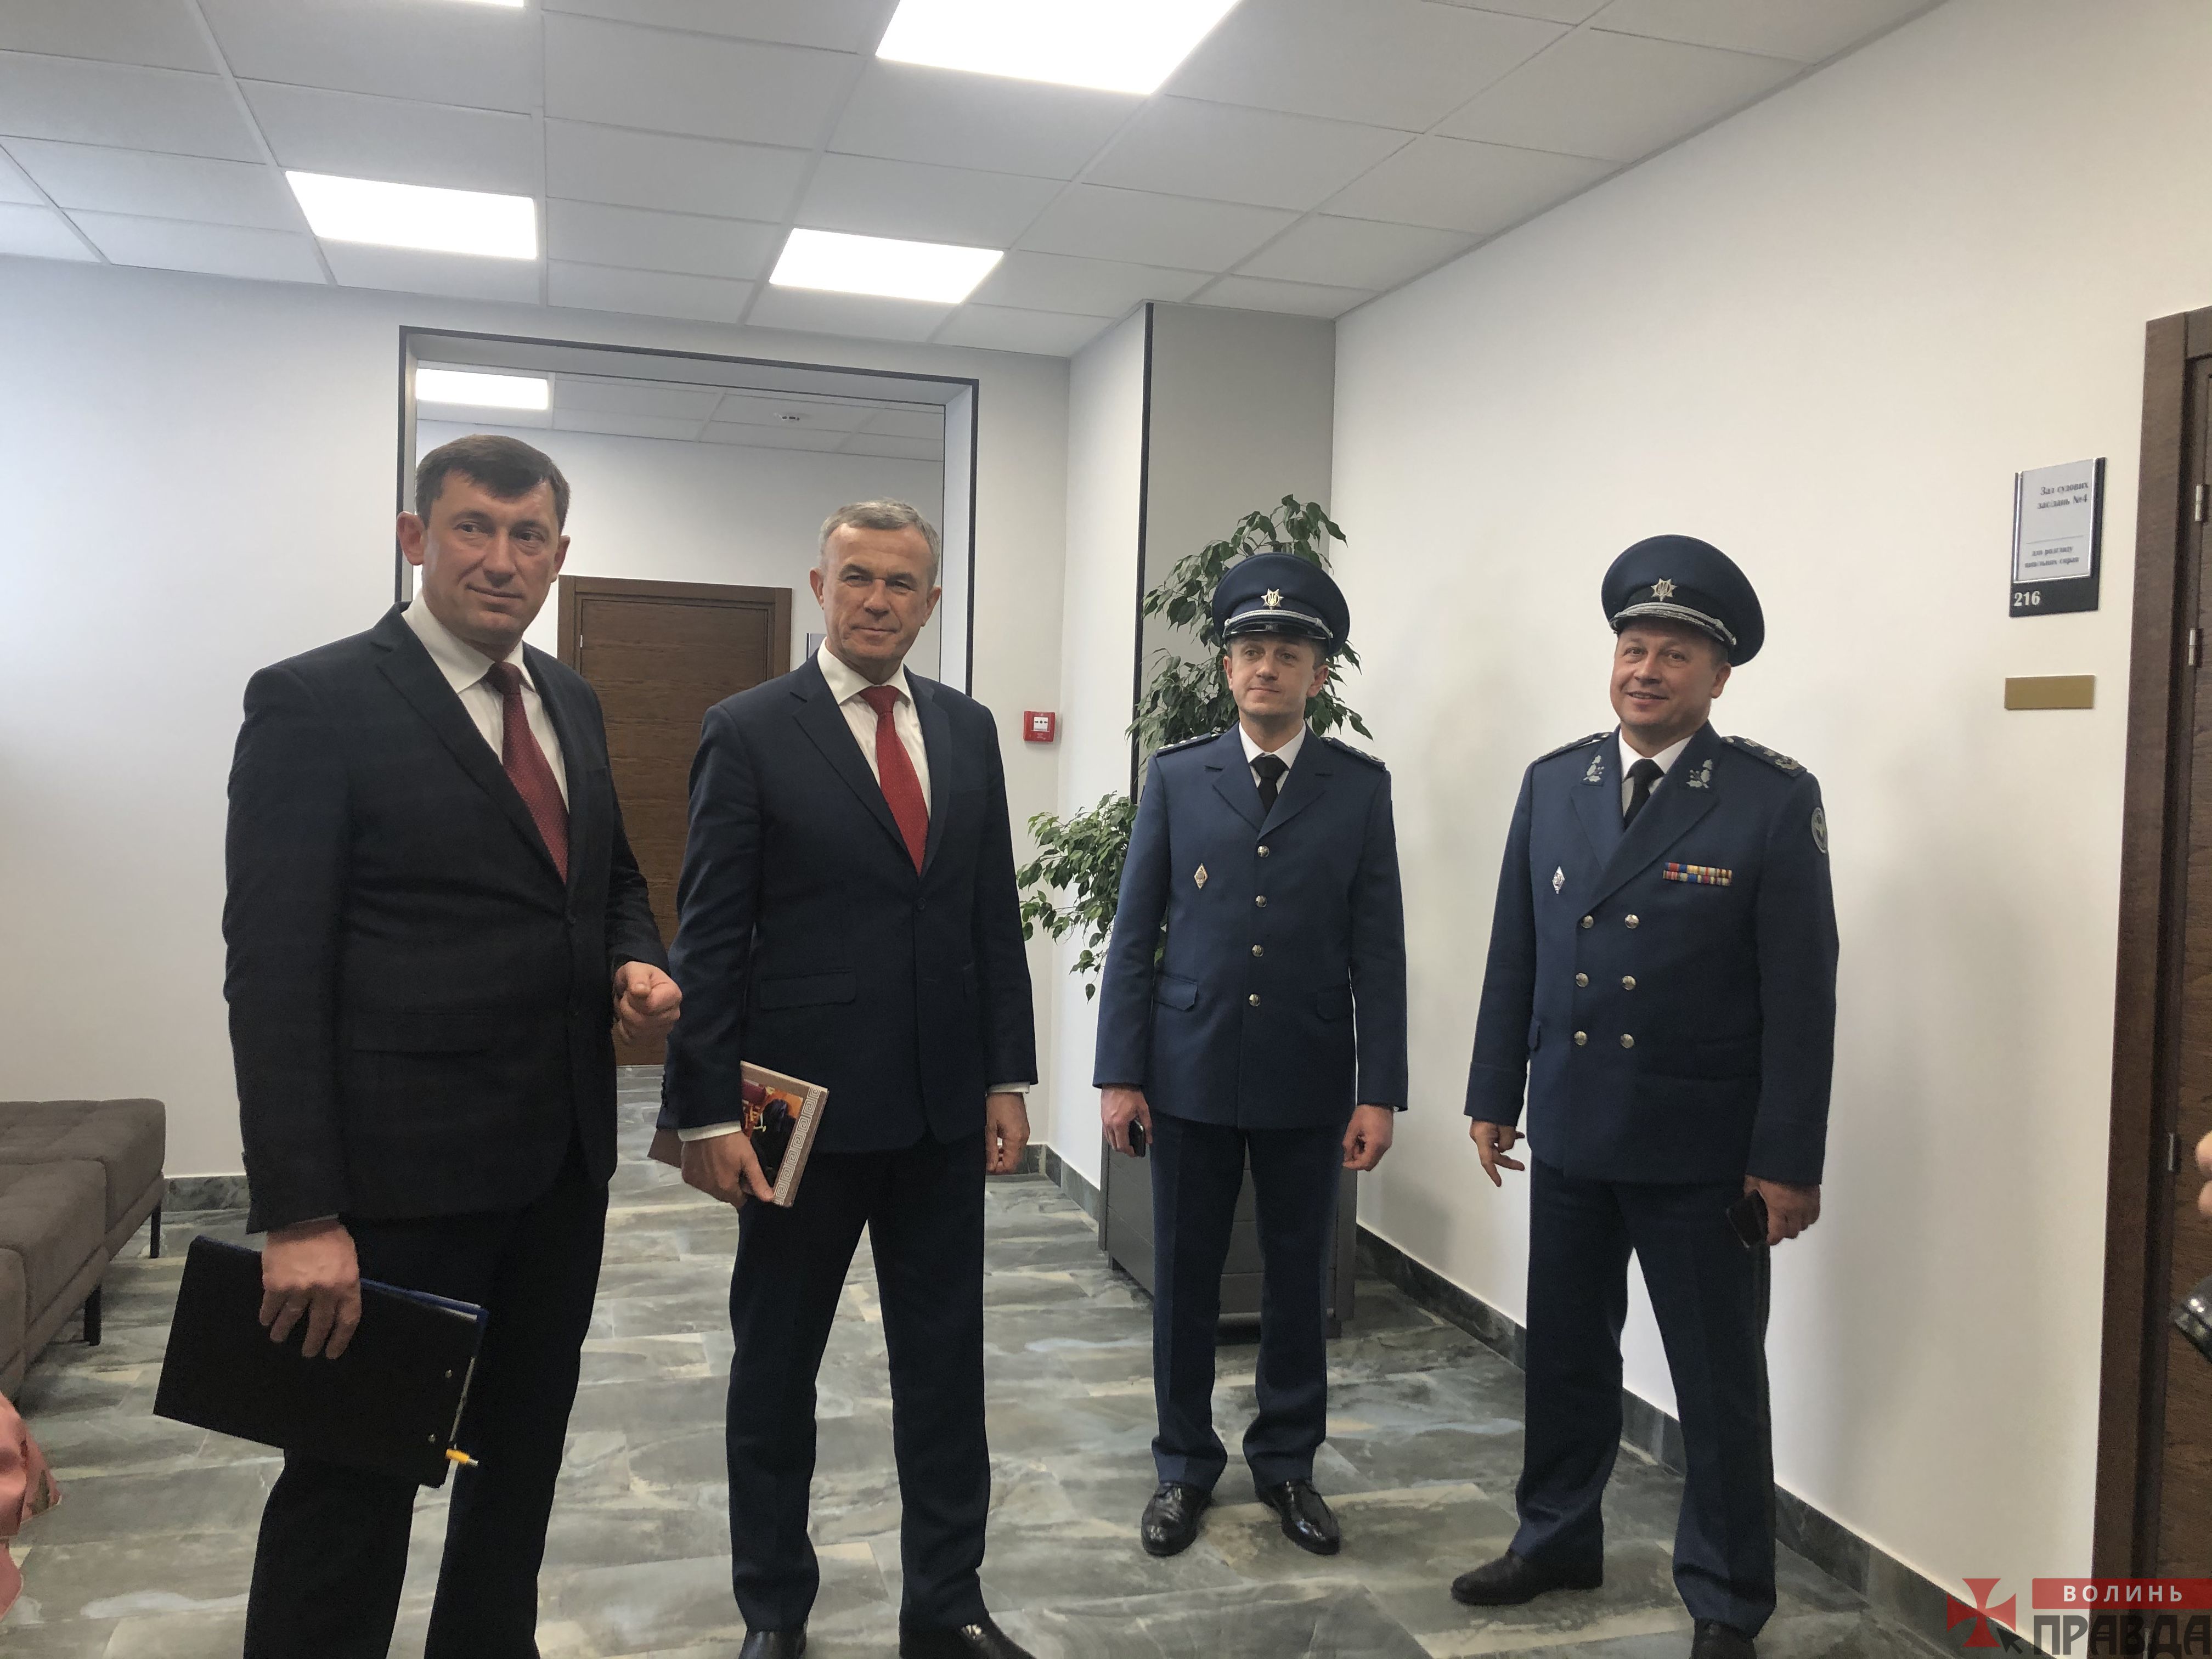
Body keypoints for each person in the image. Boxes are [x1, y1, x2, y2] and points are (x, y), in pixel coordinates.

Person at [227, 433, 680, 1658]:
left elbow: (609, 884)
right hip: (394, 1197)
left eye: (528, 536)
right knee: (350, 1493)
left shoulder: (570, 700)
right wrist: (300, 1214)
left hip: (559, 1175)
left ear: (560, 555)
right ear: (415, 537)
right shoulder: (315, 701)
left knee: (516, 1474)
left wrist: (634, 962)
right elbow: (272, 977)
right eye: (474, 527)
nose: (501, 558)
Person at [662, 501, 1039, 1659]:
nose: (880, 599)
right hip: (795, 1112)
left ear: (931, 603)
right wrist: (704, 1111)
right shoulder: (748, 729)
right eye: (859, 577)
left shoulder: (967, 729)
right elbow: (709, 936)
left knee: (946, 1373)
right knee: (777, 1373)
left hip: (939, 1110)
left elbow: (989, 916)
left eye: (902, 583)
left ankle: (948, 1605)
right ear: (821, 587)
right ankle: (775, 1613)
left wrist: (1007, 1077)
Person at [1451, 534, 1837, 1659]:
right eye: (1633, 647)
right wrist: (1493, 1091)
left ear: (1720, 677)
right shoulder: (1554, 783)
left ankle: (1727, 1597)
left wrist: (1786, 1161)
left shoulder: (1769, 800)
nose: (1646, 670)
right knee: (1567, 1358)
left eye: (1675, 653)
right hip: (1574, 1127)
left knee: (1717, 1384)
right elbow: (1516, 951)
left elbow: (1803, 995)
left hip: (1702, 1150)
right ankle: (1555, 1536)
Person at [1093, 551, 1408, 1561]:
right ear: (1226, 670)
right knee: (1184, 1278)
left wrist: (1380, 1091)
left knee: (1298, 1280)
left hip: (1307, 1077)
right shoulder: (1179, 776)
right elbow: (1134, 932)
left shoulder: (1358, 788)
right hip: (1186, 1070)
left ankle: (1287, 1463)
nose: (1266, 667)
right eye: (1250, 651)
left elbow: (1379, 949)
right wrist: (1119, 1074)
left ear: (1319, 673)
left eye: (1288, 653)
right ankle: (1184, 1466)